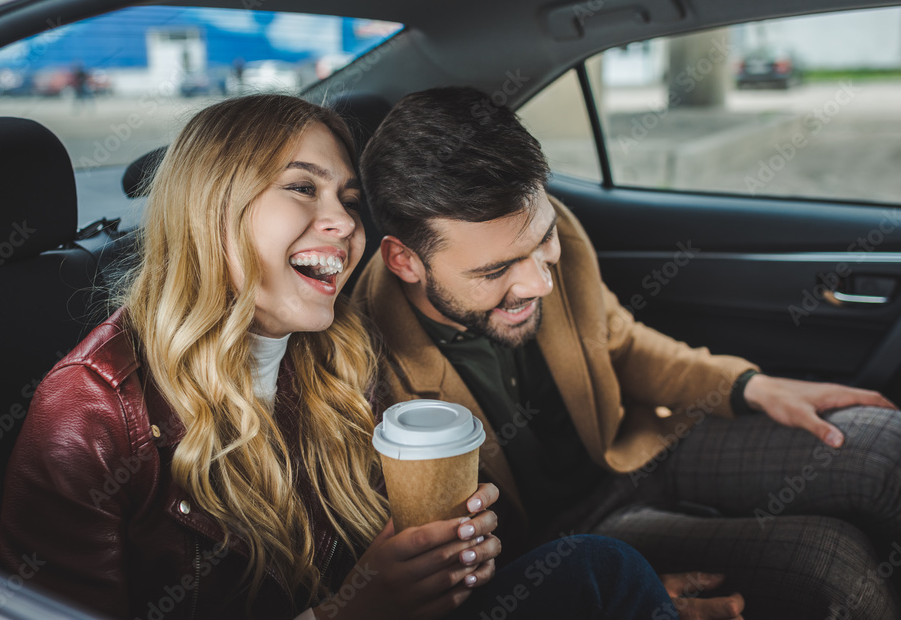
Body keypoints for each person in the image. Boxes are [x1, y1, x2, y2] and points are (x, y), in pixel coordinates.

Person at [0, 94, 676, 619]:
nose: (346, 223)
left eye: (350, 200)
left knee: (602, 573)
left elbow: (391, 562)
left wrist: (453, 559)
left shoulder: (338, 355)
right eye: (302, 187)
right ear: (212, 208)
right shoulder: (87, 414)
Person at [352, 86, 901, 620]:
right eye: (494, 272)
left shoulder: (552, 225)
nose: (539, 283)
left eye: (541, 242)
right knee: (830, 567)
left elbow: (620, 341)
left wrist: (748, 385)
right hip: (559, 545)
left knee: (885, 448)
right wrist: (609, 596)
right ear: (405, 261)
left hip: (635, 447)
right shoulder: (363, 370)